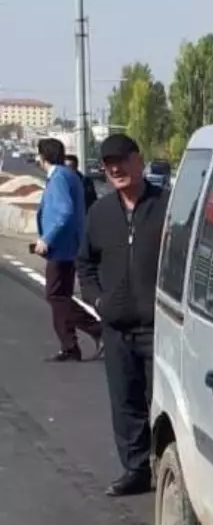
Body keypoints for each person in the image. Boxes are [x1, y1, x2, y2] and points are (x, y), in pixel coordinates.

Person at [77, 132, 170, 497]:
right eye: (108, 164)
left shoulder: (167, 206)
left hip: (159, 327)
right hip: (116, 328)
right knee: (125, 402)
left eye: (122, 160)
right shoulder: (100, 213)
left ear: (139, 159)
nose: (116, 169)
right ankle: (135, 469)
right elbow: (85, 264)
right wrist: (97, 301)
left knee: (161, 402)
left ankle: (166, 469)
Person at [33, 137, 103, 362]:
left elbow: (64, 212)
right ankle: (69, 346)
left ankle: (97, 330)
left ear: (43, 157)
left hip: (62, 248)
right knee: (60, 296)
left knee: (55, 295)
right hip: (68, 246)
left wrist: (47, 239)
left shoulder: (60, 178)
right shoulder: (66, 175)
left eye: (38, 154)